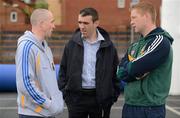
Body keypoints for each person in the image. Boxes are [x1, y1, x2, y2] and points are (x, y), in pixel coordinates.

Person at [58, 7, 120, 118]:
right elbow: (63, 70)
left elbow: (116, 73)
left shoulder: (108, 46)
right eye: (80, 22)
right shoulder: (71, 44)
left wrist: (111, 96)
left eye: (86, 23)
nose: (82, 26)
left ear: (96, 23)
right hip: (76, 100)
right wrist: (66, 95)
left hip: (100, 99)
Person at [117, 2, 174, 118]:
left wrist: (133, 68)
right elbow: (120, 72)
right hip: (129, 105)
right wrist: (134, 70)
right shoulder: (135, 45)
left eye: (134, 17)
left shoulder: (161, 41)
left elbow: (136, 68)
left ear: (146, 17)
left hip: (150, 108)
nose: (131, 22)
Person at [15, 9, 64, 118]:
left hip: (47, 113)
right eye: (52, 22)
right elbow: (25, 84)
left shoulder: (46, 48)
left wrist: (56, 102)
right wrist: (49, 105)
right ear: (42, 24)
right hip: (32, 114)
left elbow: (49, 82)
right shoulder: (26, 47)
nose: (54, 26)